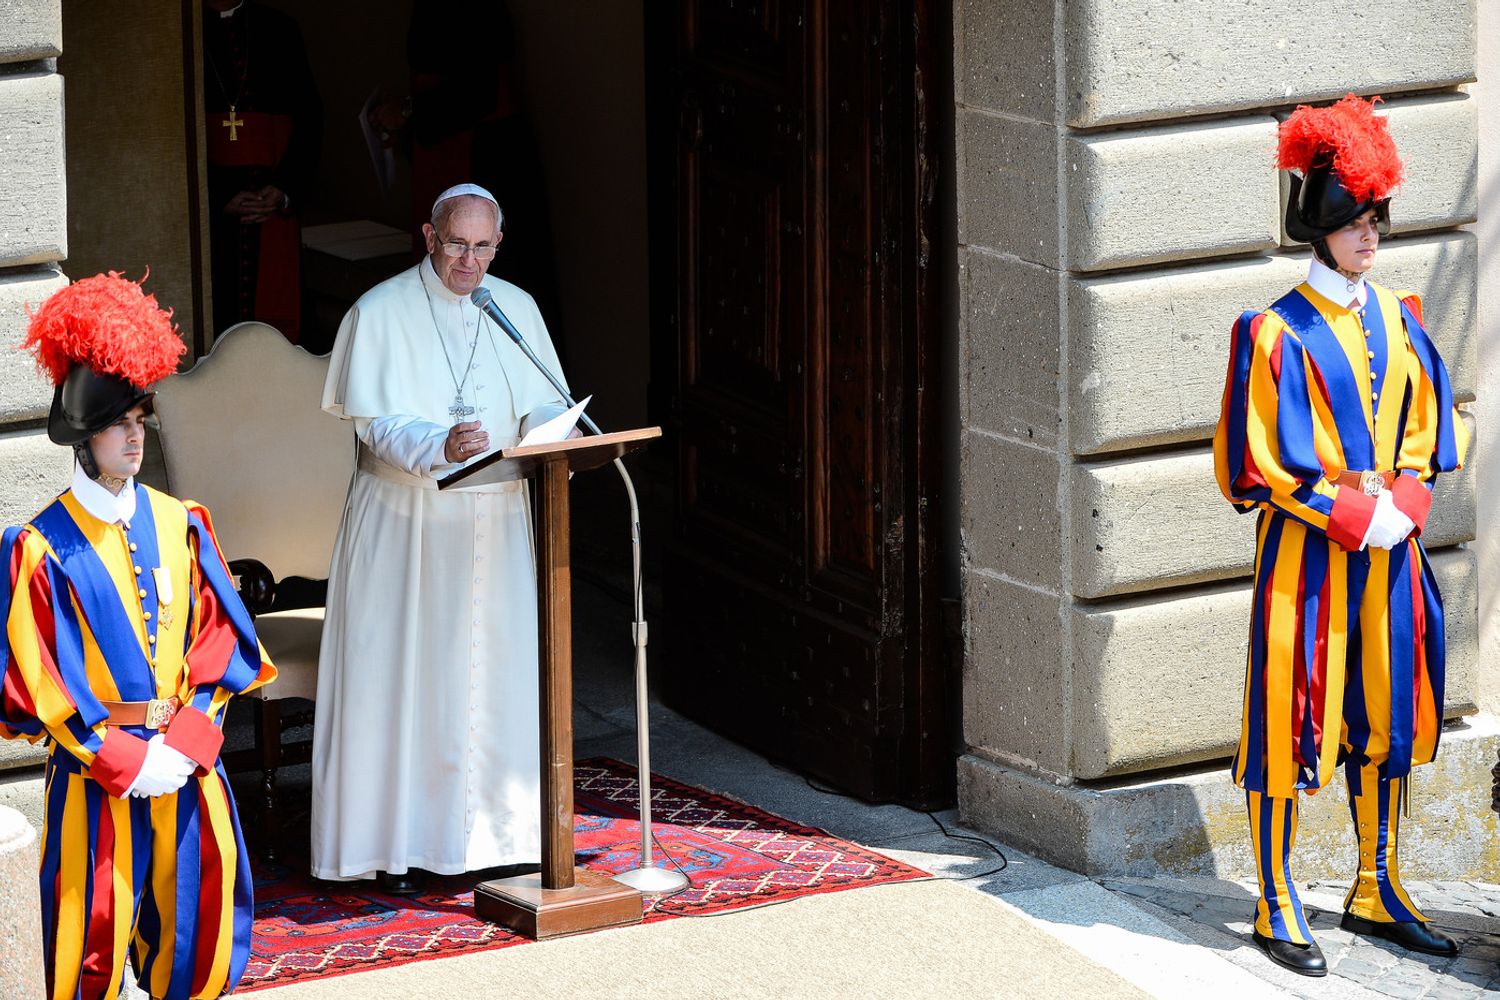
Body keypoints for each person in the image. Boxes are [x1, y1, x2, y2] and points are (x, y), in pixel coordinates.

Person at [1213, 95, 1467, 977]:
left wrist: (1407, 499)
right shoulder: (1271, 331)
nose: (1370, 236)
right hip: (1307, 558)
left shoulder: (1402, 318)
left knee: (1389, 713)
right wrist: (1358, 512)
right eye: (1353, 221)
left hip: (1391, 557)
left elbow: (1436, 428)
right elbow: (1258, 462)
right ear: (1317, 228)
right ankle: (1275, 898)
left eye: (1375, 219)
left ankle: (1377, 884)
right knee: (1288, 718)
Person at [0, 273, 276, 999]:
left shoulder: (180, 521)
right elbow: (42, 678)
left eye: (140, 419)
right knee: (84, 945)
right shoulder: (39, 545)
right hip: (99, 777)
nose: (133, 434)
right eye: (119, 421)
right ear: (84, 436)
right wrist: (119, 756)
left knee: (199, 937)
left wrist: (187, 743)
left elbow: (219, 645)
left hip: (187, 763)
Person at [312, 183, 571, 894]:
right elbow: (374, 424)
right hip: (407, 525)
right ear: (428, 235)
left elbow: (545, 394)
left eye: (483, 246)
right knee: (409, 682)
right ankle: (399, 844)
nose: (469, 260)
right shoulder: (380, 310)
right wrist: (441, 442)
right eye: (456, 243)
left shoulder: (514, 307)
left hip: (495, 518)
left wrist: (562, 427)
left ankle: (502, 836)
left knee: (496, 676)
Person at [202, 0, 322, 344]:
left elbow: (310, 118)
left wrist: (285, 189)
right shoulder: (184, 30)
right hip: (213, 219)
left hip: (273, 207)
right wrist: (216, 195)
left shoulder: (278, 27)